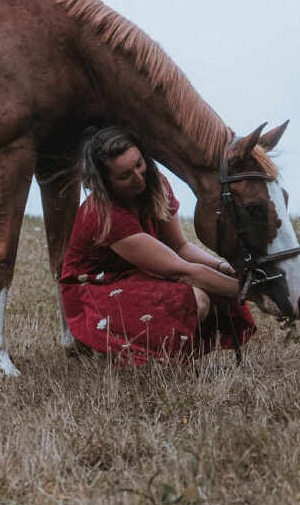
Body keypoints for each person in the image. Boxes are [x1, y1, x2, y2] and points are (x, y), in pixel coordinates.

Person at [59, 127, 255, 365]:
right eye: (124, 175)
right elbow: (181, 271)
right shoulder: (103, 213)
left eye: (139, 164)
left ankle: (160, 353)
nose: (138, 177)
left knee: (215, 287)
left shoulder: (157, 183)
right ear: (106, 181)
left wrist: (222, 267)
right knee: (196, 298)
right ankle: (111, 349)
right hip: (97, 287)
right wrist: (253, 291)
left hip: (139, 273)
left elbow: (180, 247)